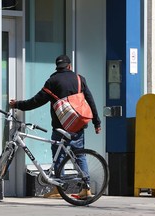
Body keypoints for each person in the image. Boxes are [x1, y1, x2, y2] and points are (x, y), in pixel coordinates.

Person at [9, 54, 101, 198]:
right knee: (80, 155)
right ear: (69, 66)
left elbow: (36, 101)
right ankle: (86, 188)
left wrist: (18, 105)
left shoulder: (52, 81)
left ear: (57, 67)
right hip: (78, 125)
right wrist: (97, 122)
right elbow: (90, 100)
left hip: (60, 126)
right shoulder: (79, 79)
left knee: (59, 157)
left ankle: (59, 189)